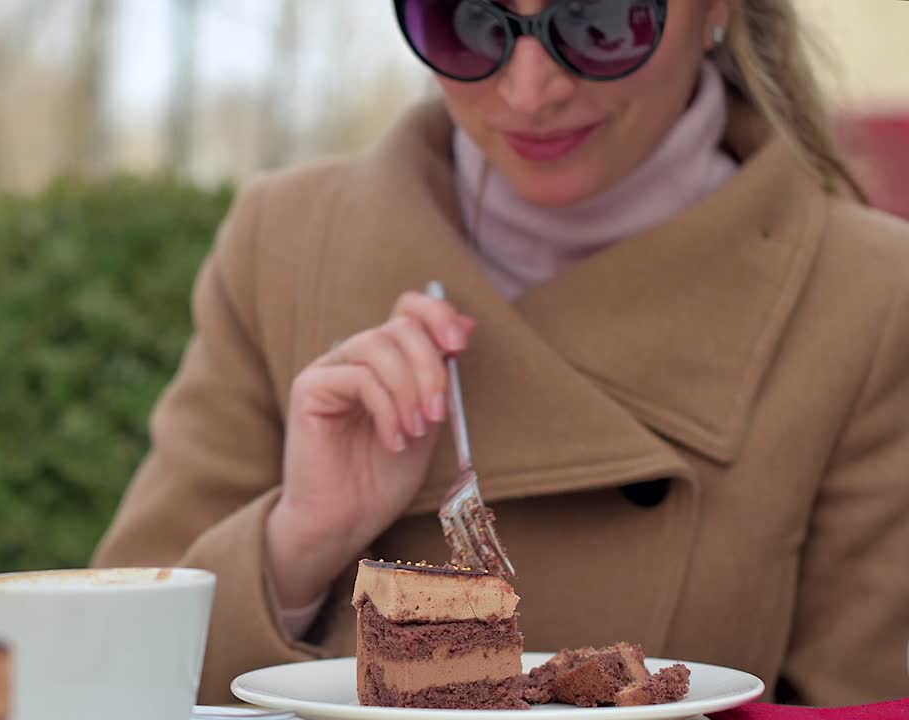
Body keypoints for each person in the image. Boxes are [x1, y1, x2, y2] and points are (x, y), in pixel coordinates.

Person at [92, 0, 909, 706]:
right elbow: (103, 675)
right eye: (468, 20)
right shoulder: (284, 246)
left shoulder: (869, 298)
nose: (528, 89)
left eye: (598, 20)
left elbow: (860, 704)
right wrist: (297, 543)